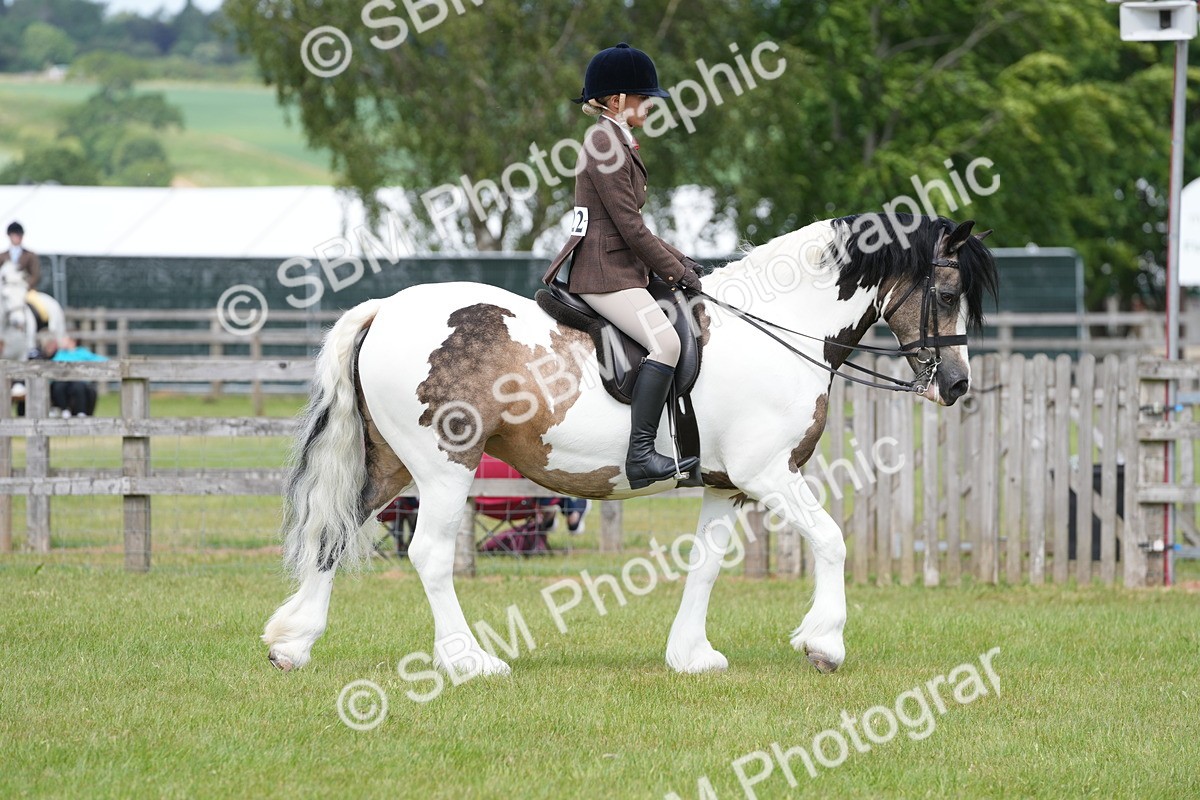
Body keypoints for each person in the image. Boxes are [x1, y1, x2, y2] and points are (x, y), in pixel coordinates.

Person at [542, 42, 701, 489]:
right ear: (616, 101)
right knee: (666, 344)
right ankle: (642, 454)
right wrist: (676, 273)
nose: (649, 104)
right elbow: (630, 228)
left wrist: (684, 261)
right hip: (605, 275)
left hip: (618, 268)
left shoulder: (615, 139)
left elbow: (635, 222)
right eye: (643, 97)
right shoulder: (602, 142)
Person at [6, 222, 41, 291]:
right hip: (6, 289)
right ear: (10, 236)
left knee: (37, 300)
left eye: (19, 235)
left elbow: (36, 274)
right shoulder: (2, 256)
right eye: (14, 235)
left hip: (26, 289)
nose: (17, 238)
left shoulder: (30, 255)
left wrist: (25, 285)